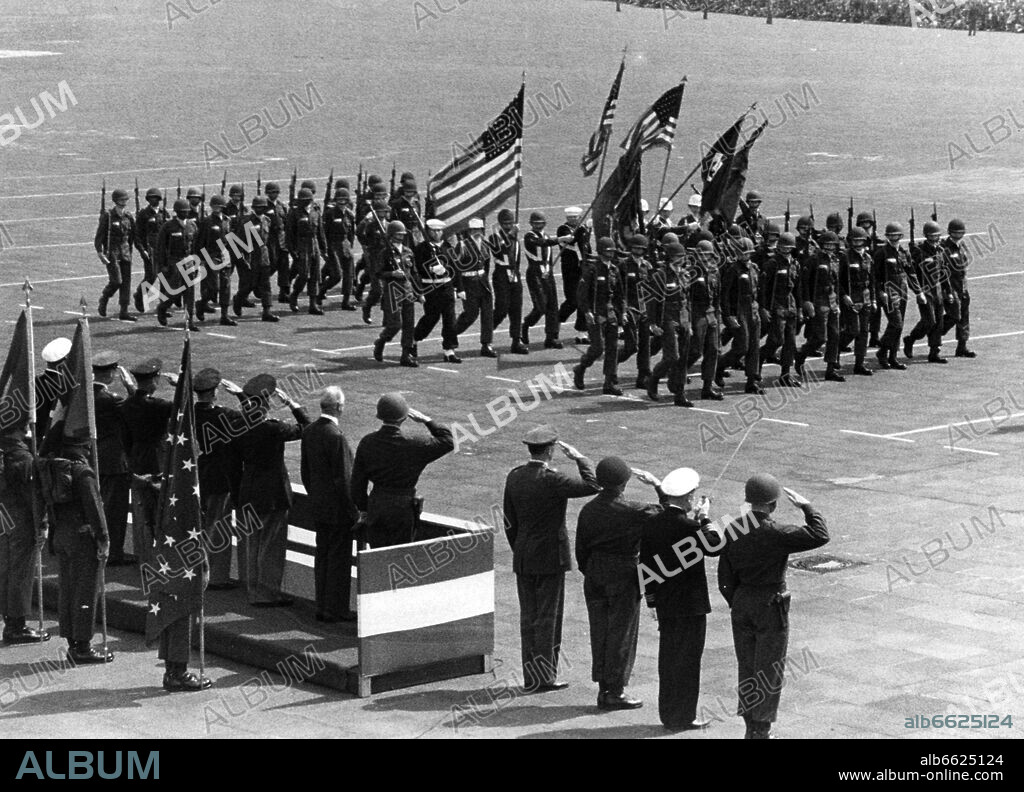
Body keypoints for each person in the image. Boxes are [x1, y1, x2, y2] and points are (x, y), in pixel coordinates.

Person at [717, 474, 829, 739]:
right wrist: (807, 507)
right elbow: (820, 535)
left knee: (746, 665)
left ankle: (749, 725)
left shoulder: (733, 528)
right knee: (769, 668)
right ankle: (761, 729)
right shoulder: (776, 532)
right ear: (772, 505)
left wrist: (737, 600)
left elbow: (724, 576)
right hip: (770, 603)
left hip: (742, 600)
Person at [502, 426, 598, 692]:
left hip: (524, 556)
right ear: (550, 450)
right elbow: (593, 484)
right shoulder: (552, 479)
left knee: (528, 617)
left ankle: (531, 676)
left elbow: (509, 521)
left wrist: (520, 548)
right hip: (550, 558)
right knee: (548, 618)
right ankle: (544, 676)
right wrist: (580, 459)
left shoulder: (515, 476)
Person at [635, 466, 720, 731]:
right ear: (687, 499)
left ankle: (668, 713)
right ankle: (683, 716)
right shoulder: (689, 525)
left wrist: (650, 599)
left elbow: (644, 563)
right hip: (690, 605)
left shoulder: (651, 523)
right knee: (688, 661)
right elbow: (714, 545)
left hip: (665, 601)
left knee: (669, 658)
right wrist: (705, 518)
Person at [575, 457, 660, 709]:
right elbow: (669, 511)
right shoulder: (633, 510)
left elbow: (581, 552)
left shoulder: (588, 509)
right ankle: (615, 690)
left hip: (595, 572)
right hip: (624, 573)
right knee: (622, 634)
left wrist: (591, 571)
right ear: (623, 483)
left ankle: (604, 688)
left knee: (599, 631)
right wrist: (657, 485)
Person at [232, 374, 309, 607]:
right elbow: (306, 428)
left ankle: (251, 588)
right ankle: (267, 593)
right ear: (265, 404)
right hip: (272, 493)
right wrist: (294, 405)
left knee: (251, 542)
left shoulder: (236, 425)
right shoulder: (272, 428)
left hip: (248, 488)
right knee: (271, 546)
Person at [42, 432, 113, 664]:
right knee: (85, 591)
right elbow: (95, 509)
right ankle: (83, 645)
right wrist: (103, 539)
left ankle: (72, 640)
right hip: (82, 537)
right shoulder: (83, 473)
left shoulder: (53, 468)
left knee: (68, 590)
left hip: (61, 534)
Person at [350, 393, 453, 548]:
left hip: (377, 505)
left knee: (377, 558)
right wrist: (427, 420)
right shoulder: (415, 444)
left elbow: (357, 484)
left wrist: (364, 509)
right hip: (403, 509)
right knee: (400, 557)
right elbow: (448, 441)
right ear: (404, 417)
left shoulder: (368, 442)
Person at [300, 387, 358, 622]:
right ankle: (335, 609)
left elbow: (306, 472)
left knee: (322, 556)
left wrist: (315, 496)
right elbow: (344, 480)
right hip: (337, 511)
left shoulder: (310, 431)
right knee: (338, 561)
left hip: (319, 505)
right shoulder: (336, 436)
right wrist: (353, 511)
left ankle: (322, 604)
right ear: (339, 407)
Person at [192, 368, 243, 590]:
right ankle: (216, 576)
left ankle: (197, 570)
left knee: (199, 526)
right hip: (220, 478)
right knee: (219, 527)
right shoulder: (224, 416)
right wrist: (241, 395)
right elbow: (252, 416)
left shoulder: (190, 415)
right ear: (214, 392)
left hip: (197, 475)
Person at [121, 358, 173, 561]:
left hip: (136, 461)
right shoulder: (159, 406)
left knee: (142, 514)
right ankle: (161, 559)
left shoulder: (126, 405)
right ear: (155, 379)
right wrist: (180, 386)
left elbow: (125, 438)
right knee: (161, 515)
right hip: (157, 464)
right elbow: (183, 409)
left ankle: (144, 558)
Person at [0, 430, 49, 644]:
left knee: (6, 569)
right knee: (21, 571)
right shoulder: (22, 456)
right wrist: (43, 524)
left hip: (3, 515)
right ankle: (16, 625)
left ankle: (8, 619)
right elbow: (33, 496)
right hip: (21, 518)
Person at [90, 352, 132, 566]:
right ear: (111, 373)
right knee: (115, 511)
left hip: (94, 456)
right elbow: (135, 412)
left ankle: (95, 545)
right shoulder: (110, 399)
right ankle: (113, 553)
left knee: (97, 505)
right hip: (114, 461)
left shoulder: (87, 395)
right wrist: (131, 388)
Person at [573, 237, 625, 396]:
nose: (611, 253)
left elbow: (619, 295)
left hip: (610, 314)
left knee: (612, 349)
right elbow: (582, 293)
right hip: (596, 313)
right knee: (598, 348)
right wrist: (586, 311)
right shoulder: (592, 269)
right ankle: (581, 367)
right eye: (608, 250)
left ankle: (609, 382)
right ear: (601, 251)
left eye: (612, 250)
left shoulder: (614, 270)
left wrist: (621, 314)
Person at [718, 237, 764, 394]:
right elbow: (724, 295)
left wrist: (761, 309)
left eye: (747, 253)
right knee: (742, 347)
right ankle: (721, 365)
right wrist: (728, 315)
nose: (745, 256)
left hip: (753, 310)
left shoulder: (754, 268)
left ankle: (751, 381)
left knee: (754, 347)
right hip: (739, 311)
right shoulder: (733, 270)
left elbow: (759, 291)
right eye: (742, 253)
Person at [413, 218, 462, 363]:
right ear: (428, 232)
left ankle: (449, 350)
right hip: (430, 287)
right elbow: (417, 268)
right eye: (434, 231)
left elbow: (456, 267)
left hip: (446, 287)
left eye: (439, 230)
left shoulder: (447, 247)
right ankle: (414, 339)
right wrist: (430, 269)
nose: (437, 233)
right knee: (431, 318)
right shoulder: (421, 248)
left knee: (450, 319)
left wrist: (460, 288)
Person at [371, 221, 419, 367]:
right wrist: (392, 273)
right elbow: (378, 273)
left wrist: (419, 292)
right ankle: (381, 341)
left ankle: (406, 355)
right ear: (391, 235)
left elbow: (414, 273)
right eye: (398, 234)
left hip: (407, 290)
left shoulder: (408, 252)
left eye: (402, 234)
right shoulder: (385, 252)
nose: (401, 237)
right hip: (392, 291)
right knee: (395, 324)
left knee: (409, 325)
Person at [872, 222, 918, 371]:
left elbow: (911, 273)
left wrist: (919, 292)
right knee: (896, 323)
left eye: (895, 235)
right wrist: (880, 292)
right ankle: (882, 352)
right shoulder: (881, 253)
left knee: (899, 326)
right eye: (890, 235)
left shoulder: (904, 253)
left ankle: (893, 356)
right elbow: (875, 276)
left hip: (902, 291)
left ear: (900, 236)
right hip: (889, 293)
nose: (893, 238)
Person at [521, 211, 571, 349]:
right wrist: (561, 239)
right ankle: (526, 324)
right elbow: (542, 243)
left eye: (541, 223)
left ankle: (551, 337)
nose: (538, 226)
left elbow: (548, 244)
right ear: (531, 224)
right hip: (535, 273)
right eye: (535, 224)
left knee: (552, 306)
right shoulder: (529, 237)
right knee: (541, 306)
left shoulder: (547, 236)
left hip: (547, 273)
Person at [904, 220, 949, 364]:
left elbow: (943, 272)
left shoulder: (941, 251)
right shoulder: (919, 251)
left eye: (936, 236)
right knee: (929, 321)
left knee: (939, 323)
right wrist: (918, 292)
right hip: (925, 289)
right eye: (931, 236)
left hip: (938, 290)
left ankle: (934, 352)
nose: (934, 238)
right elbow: (912, 273)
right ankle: (910, 339)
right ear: (926, 236)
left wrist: (947, 291)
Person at [154, 198, 200, 329]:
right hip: (174, 262)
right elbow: (161, 248)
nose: (184, 214)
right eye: (181, 212)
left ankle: (189, 321)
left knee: (189, 293)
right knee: (174, 292)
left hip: (189, 262)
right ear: (176, 212)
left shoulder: (192, 226)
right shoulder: (168, 227)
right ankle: (162, 308)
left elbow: (195, 247)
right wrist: (162, 266)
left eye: (186, 211)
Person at [453, 218, 496, 358]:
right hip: (468, 283)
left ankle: (486, 344)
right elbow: (456, 268)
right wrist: (459, 288)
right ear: (469, 231)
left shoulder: (485, 245)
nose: (477, 233)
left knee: (488, 314)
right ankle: (451, 334)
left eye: (480, 230)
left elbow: (487, 264)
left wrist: (484, 278)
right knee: (471, 314)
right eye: (474, 230)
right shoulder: (462, 245)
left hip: (483, 282)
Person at [94, 187, 137, 322]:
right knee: (116, 281)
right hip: (112, 252)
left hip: (125, 252)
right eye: (121, 199)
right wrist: (100, 252)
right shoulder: (108, 216)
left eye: (125, 199)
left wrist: (133, 249)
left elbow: (132, 236)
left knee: (126, 283)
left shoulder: (128, 216)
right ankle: (105, 297)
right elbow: (99, 236)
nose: (123, 202)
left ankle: (124, 311)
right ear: (115, 201)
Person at [490, 208, 528, 354]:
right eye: (505, 223)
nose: (508, 226)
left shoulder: (514, 237)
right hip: (501, 275)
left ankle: (516, 340)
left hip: (514, 275)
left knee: (516, 308)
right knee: (502, 308)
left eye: (510, 223)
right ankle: (487, 334)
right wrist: (510, 235)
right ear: (500, 224)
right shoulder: (495, 236)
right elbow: (500, 250)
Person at [286, 187, 328, 315]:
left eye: (306, 200)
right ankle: (294, 295)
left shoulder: (315, 211)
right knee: (304, 274)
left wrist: (323, 248)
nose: (303, 202)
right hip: (301, 245)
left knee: (315, 275)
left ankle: (312, 304)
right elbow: (290, 233)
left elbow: (320, 231)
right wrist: (293, 251)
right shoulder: (294, 213)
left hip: (313, 243)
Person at [556, 207, 592, 345]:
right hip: (570, 270)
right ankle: (556, 321)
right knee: (572, 300)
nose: (572, 219)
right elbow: (571, 240)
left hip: (582, 268)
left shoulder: (582, 229)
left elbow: (586, 246)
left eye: (575, 217)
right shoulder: (563, 229)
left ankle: (582, 333)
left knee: (584, 299)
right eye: (570, 217)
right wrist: (583, 229)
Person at [941, 218, 974, 357]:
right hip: (950, 286)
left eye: (960, 233)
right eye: (955, 233)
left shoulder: (962, 246)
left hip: (961, 285)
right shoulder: (944, 248)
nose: (957, 236)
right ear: (949, 233)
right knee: (955, 315)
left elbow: (964, 267)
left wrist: (965, 287)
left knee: (964, 317)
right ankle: (936, 330)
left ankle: (962, 346)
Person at [133, 187, 167, 313]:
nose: (153, 200)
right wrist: (142, 250)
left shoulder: (164, 213)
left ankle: (163, 305)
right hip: (150, 249)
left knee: (164, 278)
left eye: (155, 198)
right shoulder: (143, 214)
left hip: (162, 250)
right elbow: (138, 235)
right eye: (151, 198)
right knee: (151, 277)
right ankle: (139, 296)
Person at [35, 337, 73, 442]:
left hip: (36, 434)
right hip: (55, 437)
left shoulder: (34, 380)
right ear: (66, 359)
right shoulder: (65, 385)